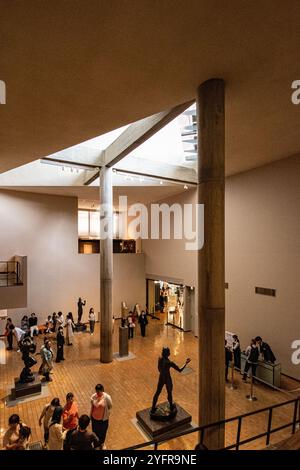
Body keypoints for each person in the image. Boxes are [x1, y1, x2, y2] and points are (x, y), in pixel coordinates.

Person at [151, 347, 191, 414]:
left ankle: (153, 408)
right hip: (167, 378)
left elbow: (158, 369)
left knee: (157, 392)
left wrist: (162, 372)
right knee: (169, 392)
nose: (170, 353)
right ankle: (171, 406)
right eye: (169, 352)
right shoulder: (169, 363)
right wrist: (186, 363)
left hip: (161, 377)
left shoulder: (159, 358)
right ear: (167, 353)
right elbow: (180, 370)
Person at [90, 384, 112, 450]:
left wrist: (107, 415)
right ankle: (96, 445)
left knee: (103, 432)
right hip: (94, 419)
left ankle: (102, 444)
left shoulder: (107, 397)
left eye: (98, 392)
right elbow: (92, 406)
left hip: (103, 420)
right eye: (96, 391)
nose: (97, 393)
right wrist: (90, 415)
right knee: (95, 432)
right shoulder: (93, 396)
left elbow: (110, 406)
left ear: (102, 390)